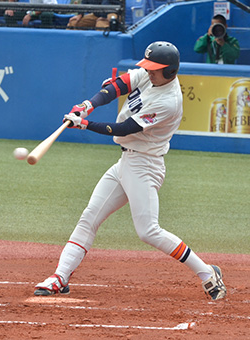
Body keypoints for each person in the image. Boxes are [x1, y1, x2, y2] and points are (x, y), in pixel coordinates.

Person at [34, 41, 227, 301]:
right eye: (147, 67)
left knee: (148, 230)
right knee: (89, 217)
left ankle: (207, 274)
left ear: (169, 71)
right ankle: (60, 276)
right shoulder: (150, 76)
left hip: (145, 165)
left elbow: (125, 129)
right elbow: (118, 86)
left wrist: (85, 124)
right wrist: (88, 105)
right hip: (125, 163)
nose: (148, 72)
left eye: (155, 69)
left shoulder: (168, 100)